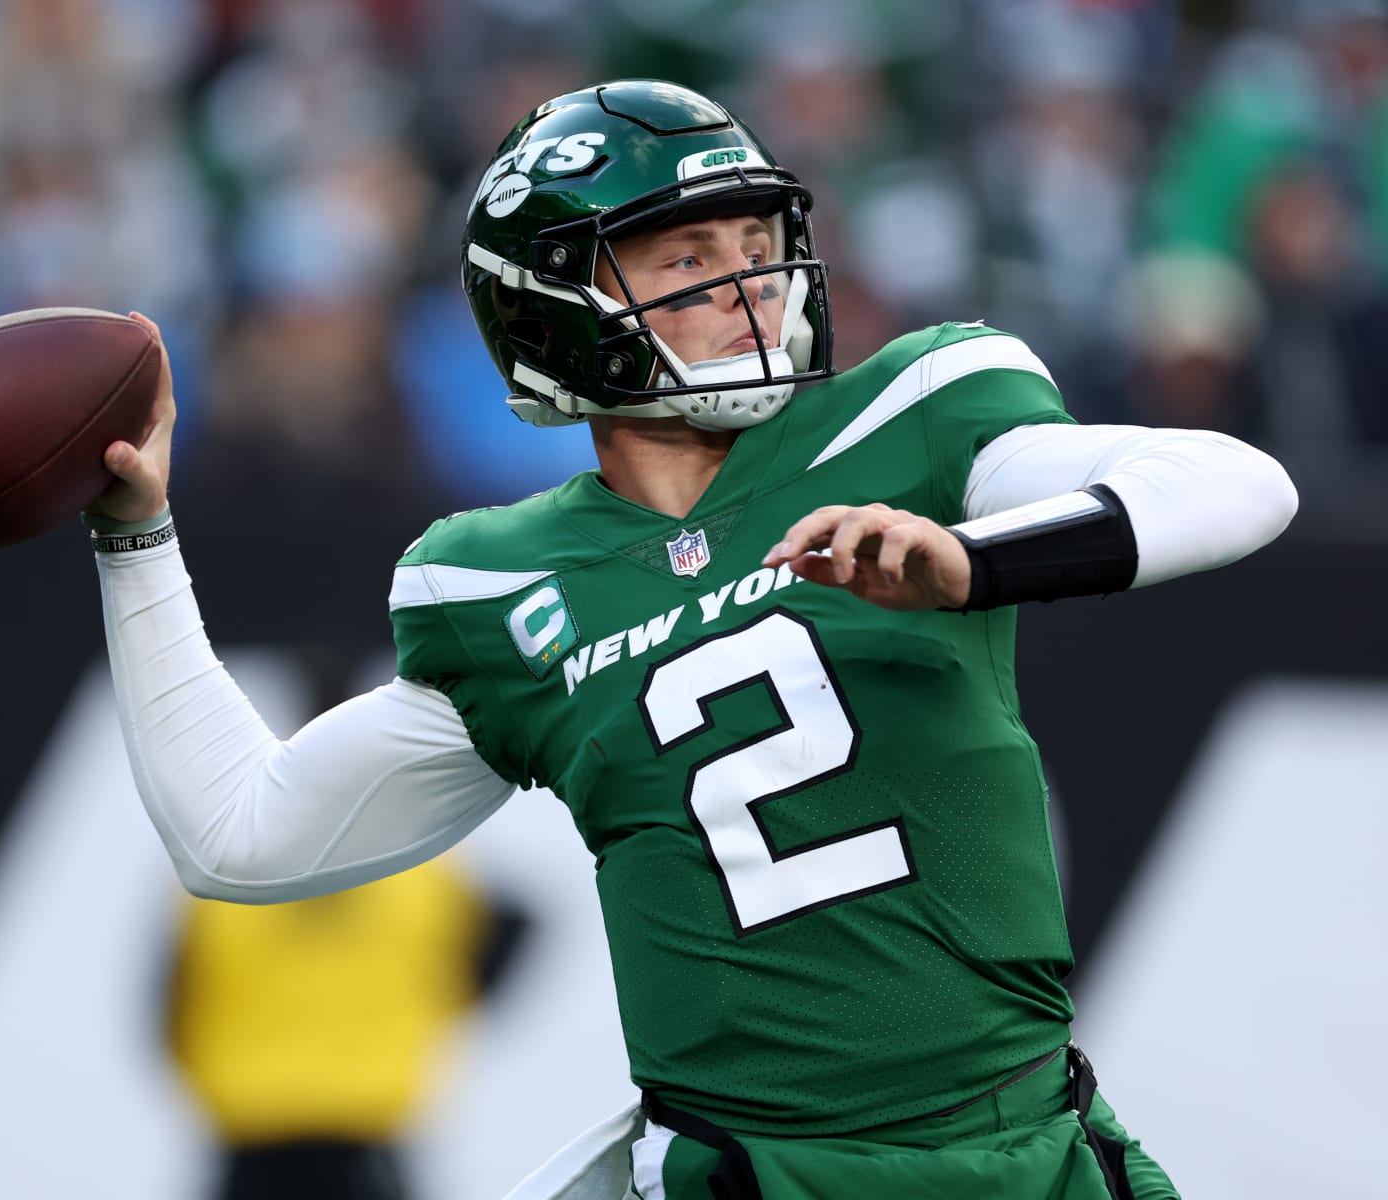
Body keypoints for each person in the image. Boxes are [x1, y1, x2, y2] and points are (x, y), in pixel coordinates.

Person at [83, 81, 1296, 1199]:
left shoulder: (918, 416)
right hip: (751, 1175)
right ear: (552, 304)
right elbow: (235, 836)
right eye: (688, 255)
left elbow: (1238, 485)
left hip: (1023, 1151)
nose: (747, 282)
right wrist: (136, 538)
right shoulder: (500, 586)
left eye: (757, 246)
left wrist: (976, 562)